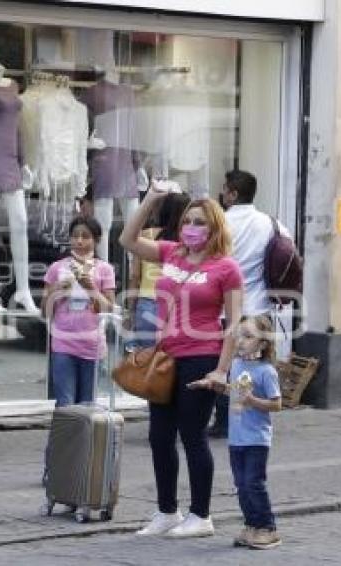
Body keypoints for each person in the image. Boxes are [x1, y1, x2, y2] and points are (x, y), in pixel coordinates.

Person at [118, 182, 243, 538]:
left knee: (193, 435)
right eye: (188, 220)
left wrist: (221, 370)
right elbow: (128, 240)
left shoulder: (226, 268)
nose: (191, 228)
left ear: (214, 228)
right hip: (165, 357)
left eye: (200, 222)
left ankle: (201, 515)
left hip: (201, 356)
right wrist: (151, 199)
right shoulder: (171, 253)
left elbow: (233, 322)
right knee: (159, 436)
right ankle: (167, 511)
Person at [208, 170, 292, 438]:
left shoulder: (220, 224)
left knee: (226, 363)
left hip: (224, 306)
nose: (222, 194)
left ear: (233, 193)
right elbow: (288, 253)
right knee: (257, 361)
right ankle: (255, 410)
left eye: (225, 189)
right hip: (259, 306)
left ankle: (224, 419)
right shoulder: (271, 223)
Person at [188, 314, 283, 549]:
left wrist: (252, 401)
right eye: (239, 335)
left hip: (256, 439)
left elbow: (277, 404)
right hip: (237, 438)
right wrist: (211, 384)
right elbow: (234, 391)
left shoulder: (266, 371)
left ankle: (267, 528)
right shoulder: (237, 365)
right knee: (241, 484)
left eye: (248, 336)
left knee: (254, 483)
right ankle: (251, 525)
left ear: (263, 343)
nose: (241, 341)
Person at [42, 215, 116, 407]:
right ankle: (65, 438)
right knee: (65, 403)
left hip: (92, 347)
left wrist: (90, 288)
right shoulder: (57, 268)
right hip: (63, 345)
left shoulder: (104, 269)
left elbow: (108, 308)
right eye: (75, 236)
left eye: (86, 236)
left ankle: (85, 439)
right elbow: (45, 312)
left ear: (97, 240)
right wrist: (56, 290)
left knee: (87, 404)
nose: (80, 241)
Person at [126, 192, 191, 350]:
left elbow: (135, 275)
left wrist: (130, 311)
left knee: (147, 362)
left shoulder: (145, 235)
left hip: (146, 301)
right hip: (177, 304)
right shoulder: (187, 241)